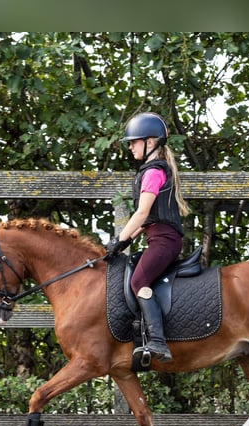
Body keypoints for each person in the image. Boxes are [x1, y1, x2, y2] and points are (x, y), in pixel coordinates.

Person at [105, 112, 190, 362]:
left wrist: (120, 238)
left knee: (139, 280)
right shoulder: (149, 171)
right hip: (159, 237)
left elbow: (142, 212)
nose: (130, 147)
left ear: (150, 143)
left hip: (165, 241)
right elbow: (149, 218)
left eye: (134, 142)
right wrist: (126, 242)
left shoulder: (153, 172)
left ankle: (158, 342)